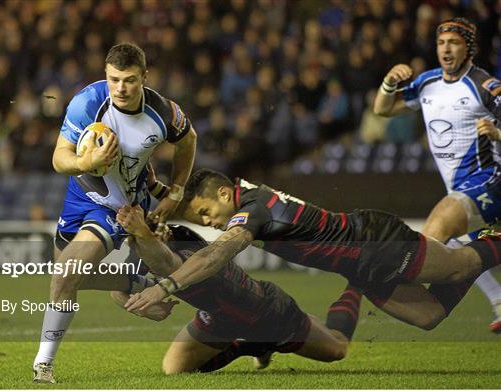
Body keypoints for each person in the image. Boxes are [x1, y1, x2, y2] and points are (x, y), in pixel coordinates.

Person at [125, 169, 501, 336]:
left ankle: (491, 240)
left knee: (459, 267)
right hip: (359, 267)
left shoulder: (251, 208)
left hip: (374, 243)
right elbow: (184, 199)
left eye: (206, 213)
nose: (210, 223)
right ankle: (487, 237)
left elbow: (216, 256)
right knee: (430, 317)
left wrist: (165, 287)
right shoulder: (242, 198)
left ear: (224, 194)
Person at [32, 42, 197, 383]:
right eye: (114, 79)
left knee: (67, 274)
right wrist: (84, 162)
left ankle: (43, 365)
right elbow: (59, 156)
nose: (120, 88)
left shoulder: (163, 113)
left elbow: (188, 140)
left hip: (117, 206)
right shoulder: (87, 103)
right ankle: (136, 283)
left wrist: (176, 190)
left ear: (144, 78)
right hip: (78, 195)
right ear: (106, 75)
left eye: (130, 80)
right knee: (65, 278)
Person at [113, 205, 358, 374]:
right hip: (219, 319)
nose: (160, 228)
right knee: (174, 369)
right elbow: (116, 288)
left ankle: (357, 283)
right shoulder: (140, 251)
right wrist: (142, 311)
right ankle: (248, 345)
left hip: (266, 311)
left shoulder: (182, 239)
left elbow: (166, 263)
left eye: (156, 224)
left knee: (337, 349)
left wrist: (142, 233)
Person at [373, 17, 501, 333]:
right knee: (462, 250)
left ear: (469, 48)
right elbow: (384, 110)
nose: (446, 48)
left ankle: (385, 286)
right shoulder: (428, 83)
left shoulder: (486, 86)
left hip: (489, 179)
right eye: (441, 42)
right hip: (457, 188)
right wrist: (389, 83)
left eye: (454, 42)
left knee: (432, 238)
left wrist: (497, 134)